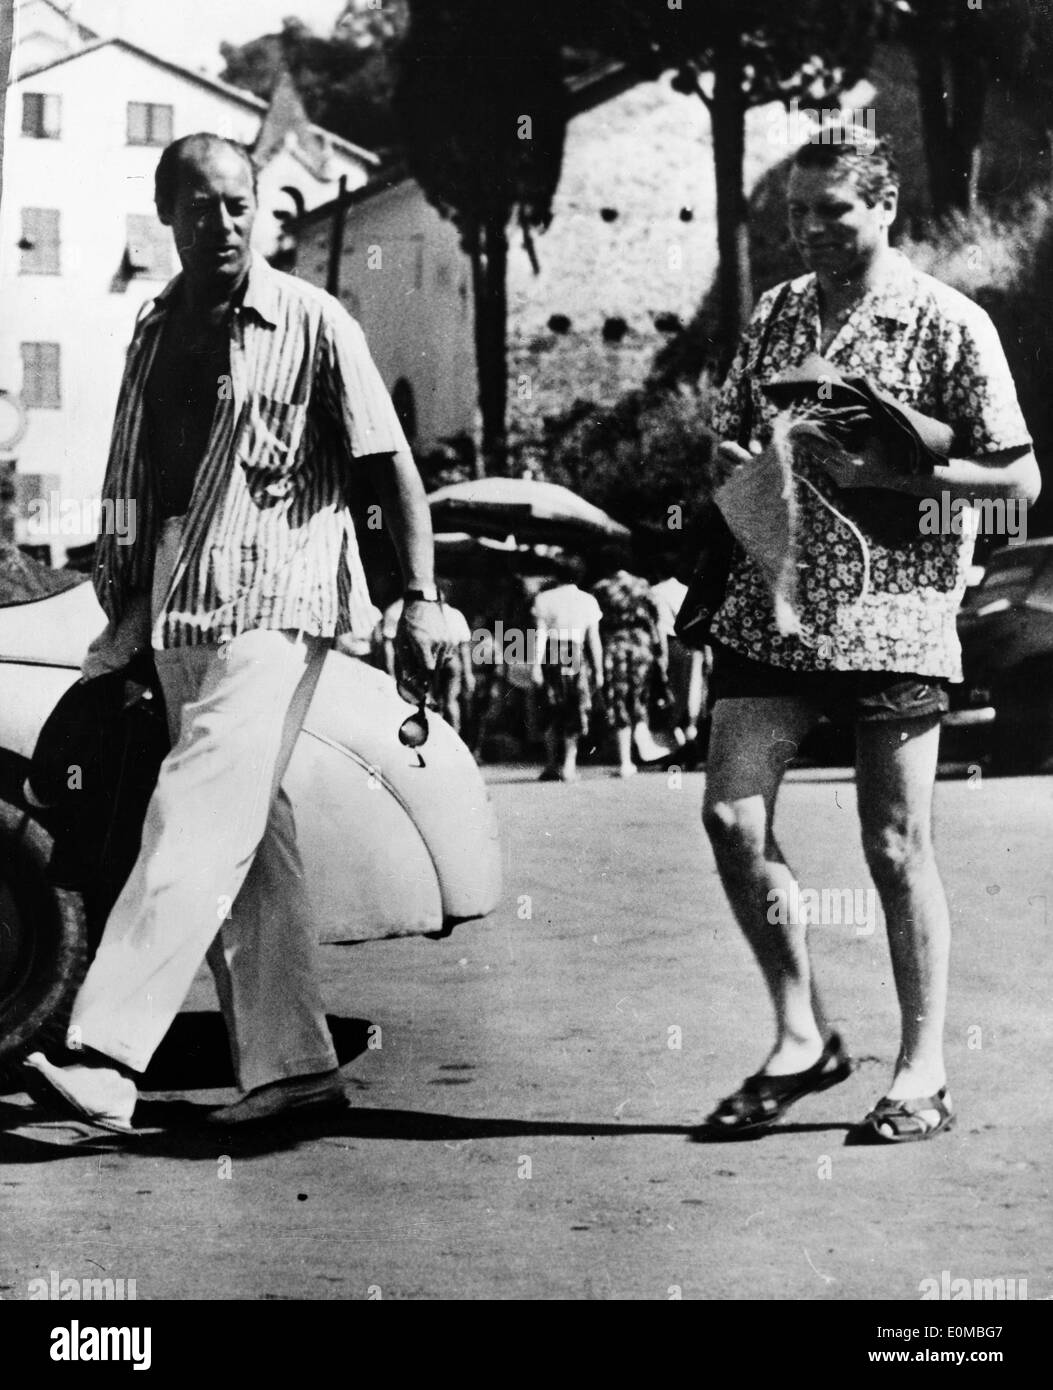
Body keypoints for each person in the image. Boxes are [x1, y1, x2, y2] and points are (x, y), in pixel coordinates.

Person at [23, 133, 448, 1133]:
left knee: (196, 812)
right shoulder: (153, 328)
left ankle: (105, 1056)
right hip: (172, 606)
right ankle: (294, 1065)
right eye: (199, 207)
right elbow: (134, 482)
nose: (220, 224)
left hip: (280, 597)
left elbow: (386, 466)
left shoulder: (311, 320)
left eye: (237, 204)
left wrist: (422, 593)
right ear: (167, 216)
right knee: (250, 841)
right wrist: (120, 597)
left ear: (261, 210)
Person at [700, 128, 1038, 1142]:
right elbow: (730, 429)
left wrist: (903, 479)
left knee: (894, 845)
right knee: (730, 820)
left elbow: (1020, 483)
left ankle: (923, 1071)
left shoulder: (950, 322)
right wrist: (737, 464)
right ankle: (804, 1033)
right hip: (774, 601)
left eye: (832, 211)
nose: (810, 231)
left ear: (885, 205)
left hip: (895, 613)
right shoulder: (776, 313)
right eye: (798, 214)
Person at [591, 550, 669, 777]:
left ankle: (626, 761)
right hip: (642, 647)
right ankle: (642, 744)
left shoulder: (600, 589)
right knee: (639, 697)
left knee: (618, 700)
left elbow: (595, 622)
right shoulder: (643, 585)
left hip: (613, 647)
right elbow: (655, 621)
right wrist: (660, 653)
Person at [531, 561, 604, 782]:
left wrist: (535, 666)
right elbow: (594, 639)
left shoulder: (543, 599)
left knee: (551, 708)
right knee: (575, 708)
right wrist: (599, 670)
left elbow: (540, 635)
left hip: (552, 652)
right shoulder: (588, 600)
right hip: (575, 652)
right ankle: (569, 765)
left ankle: (552, 763)